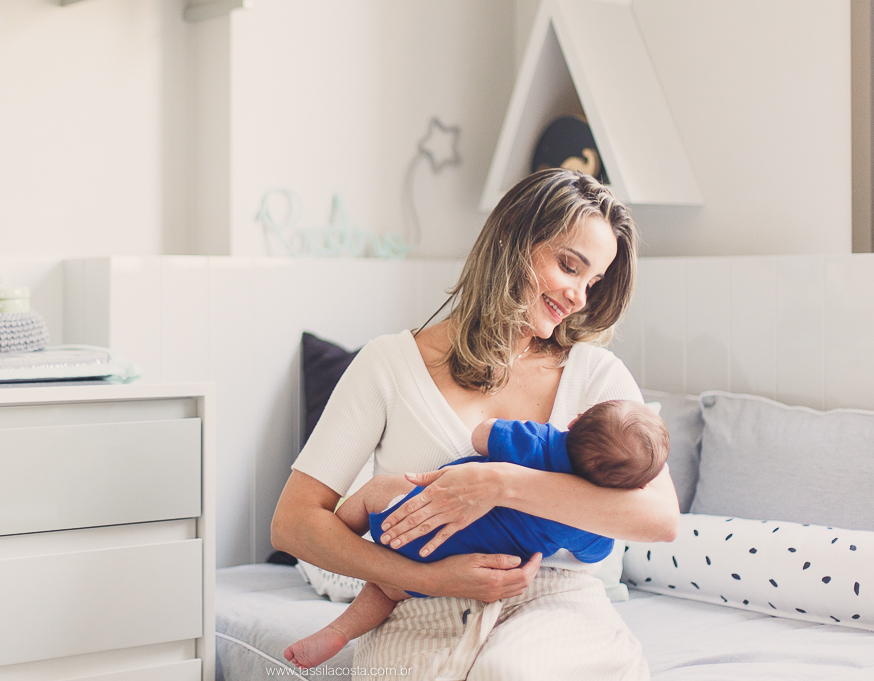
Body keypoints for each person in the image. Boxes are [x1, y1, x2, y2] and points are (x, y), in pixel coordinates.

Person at [271, 168, 680, 680]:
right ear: (511, 240)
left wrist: (497, 484)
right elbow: (293, 523)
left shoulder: (596, 377)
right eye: (569, 266)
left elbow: (660, 519)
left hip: (556, 608)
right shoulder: (389, 365)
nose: (580, 296)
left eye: (593, 282)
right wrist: (428, 578)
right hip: (415, 610)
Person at [284, 400, 670, 670]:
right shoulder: (586, 519)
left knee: (376, 495)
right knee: (388, 589)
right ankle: (340, 630)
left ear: (577, 420)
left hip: (411, 518)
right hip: (476, 563)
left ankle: (343, 534)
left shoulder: (538, 440)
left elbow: (481, 434)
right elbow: (595, 555)